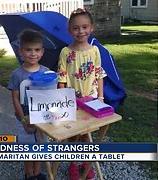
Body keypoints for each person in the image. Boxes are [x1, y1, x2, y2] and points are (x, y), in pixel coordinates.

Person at [57, 8, 107, 180]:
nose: (81, 31)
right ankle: (73, 164)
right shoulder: (65, 52)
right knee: (73, 134)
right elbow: (61, 77)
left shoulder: (95, 51)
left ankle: (86, 163)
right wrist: (62, 99)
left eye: (85, 27)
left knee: (86, 134)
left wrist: (101, 97)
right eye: (76, 28)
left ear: (91, 27)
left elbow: (99, 74)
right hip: (71, 101)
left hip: (91, 100)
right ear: (70, 30)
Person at [7, 29, 48, 180]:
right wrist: (24, 119)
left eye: (37, 50)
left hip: (42, 119)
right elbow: (15, 98)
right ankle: (29, 174)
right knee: (28, 148)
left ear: (42, 51)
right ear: (20, 51)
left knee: (40, 146)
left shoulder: (47, 72)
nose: (33, 53)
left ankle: (37, 172)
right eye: (28, 50)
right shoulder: (17, 74)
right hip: (23, 119)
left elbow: (51, 97)